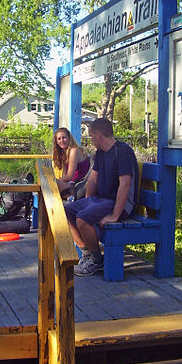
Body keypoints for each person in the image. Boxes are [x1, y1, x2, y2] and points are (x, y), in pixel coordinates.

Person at [64, 118, 138, 277]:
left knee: (82, 219)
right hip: (101, 200)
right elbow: (93, 180)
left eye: (90, 136)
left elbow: (125, 185)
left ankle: (97, 261)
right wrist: (87, 202)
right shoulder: (100, 153)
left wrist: (115, 216)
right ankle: (88, 253)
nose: (90, 139)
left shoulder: (123, 152)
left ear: (98, 135)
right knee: (66, 211)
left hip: (119, 203)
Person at [52, 127, 90, 198]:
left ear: (69, 138)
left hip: (80, 185)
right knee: (48, 185)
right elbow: (65, 176)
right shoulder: (63, 153)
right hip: (71, 184)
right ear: (56, 142)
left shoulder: (74, 150)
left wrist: (54, 180)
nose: (62, 141)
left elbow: (69, 177)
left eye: (64, 138)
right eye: (59, 139)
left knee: (50, 183)